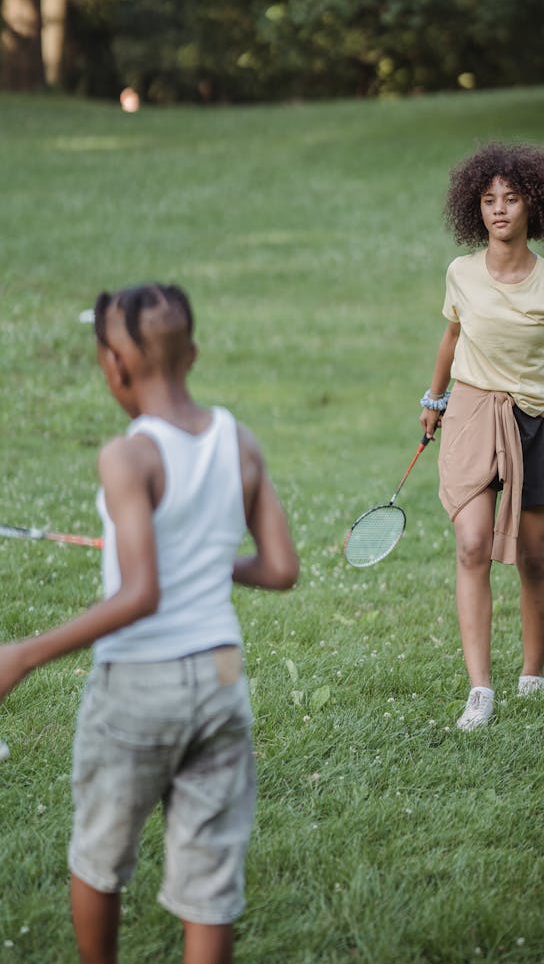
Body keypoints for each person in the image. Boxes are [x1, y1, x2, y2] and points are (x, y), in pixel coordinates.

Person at [0, 282, 299, 964]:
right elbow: (282, 568)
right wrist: (209, 562)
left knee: (99, 854)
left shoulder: (127, 455)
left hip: (141, 680)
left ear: (114, 365)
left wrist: (23, 653)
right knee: (208, 880)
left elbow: (139, 594)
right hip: (223, 675)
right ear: (192, 353)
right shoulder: (240, 441)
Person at [419, 143, 544, 731]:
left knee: (534, 556)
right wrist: (434, 397)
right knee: (471, 545)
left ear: (532, 206)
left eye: (511, 199)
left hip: (533, 420)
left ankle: (532, 673)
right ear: (477, 209)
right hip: (471, 413)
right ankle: (480, 691)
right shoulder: (460, 273)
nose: (499, 210)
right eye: (489, 200)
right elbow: (451, 338)